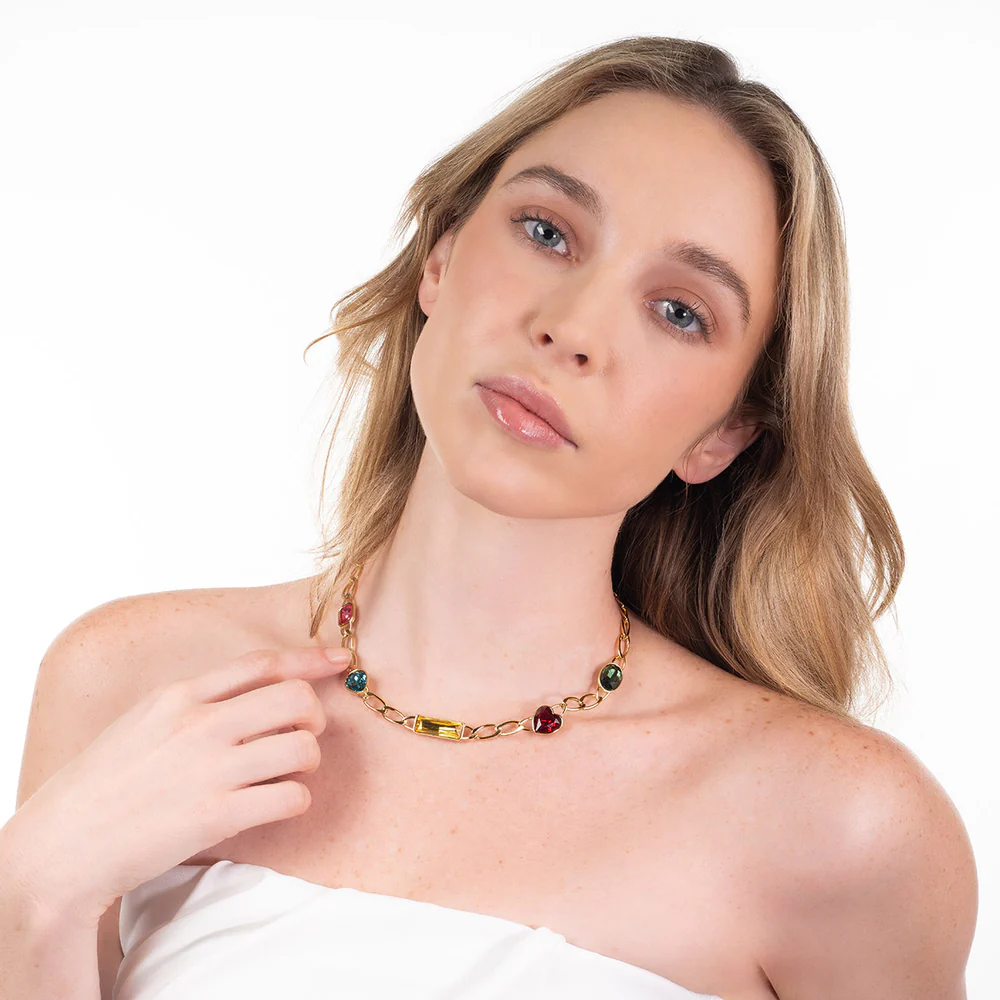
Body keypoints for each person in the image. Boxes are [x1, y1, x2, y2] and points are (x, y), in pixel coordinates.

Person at [2, 34, 977, 1000]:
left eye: (679, 311)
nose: (572, 327)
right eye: (547, 232)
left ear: (723, 433)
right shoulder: (129, 681)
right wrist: (29, 900)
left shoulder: (840, 830)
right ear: (441, 257)